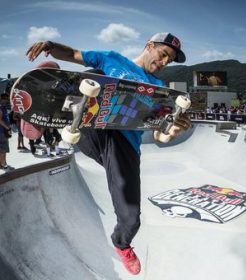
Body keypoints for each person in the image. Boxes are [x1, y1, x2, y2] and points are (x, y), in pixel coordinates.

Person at [26, 32, 191, 275]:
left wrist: (173, 130)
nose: (165, 62)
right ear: (149, 46)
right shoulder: (113, 59)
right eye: (163, 54)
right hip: (94, 128)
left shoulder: (160, 89)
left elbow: (159, 136)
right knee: (95, 77)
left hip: (125, 146)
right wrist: (51, 46)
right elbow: (74, 54)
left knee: (131, 218)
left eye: (170, 60)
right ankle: (57, 107)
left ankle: (121, 243)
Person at [0, 94, 14, 171]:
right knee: (3, 149)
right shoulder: (0, 108)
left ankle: (2, 163)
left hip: (3, 131)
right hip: (2, 132)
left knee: (2, 149)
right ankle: (4, 165)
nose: (6, 101)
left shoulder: (4, 107)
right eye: (5, 99)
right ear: (2, 99)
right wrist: (7, 128)